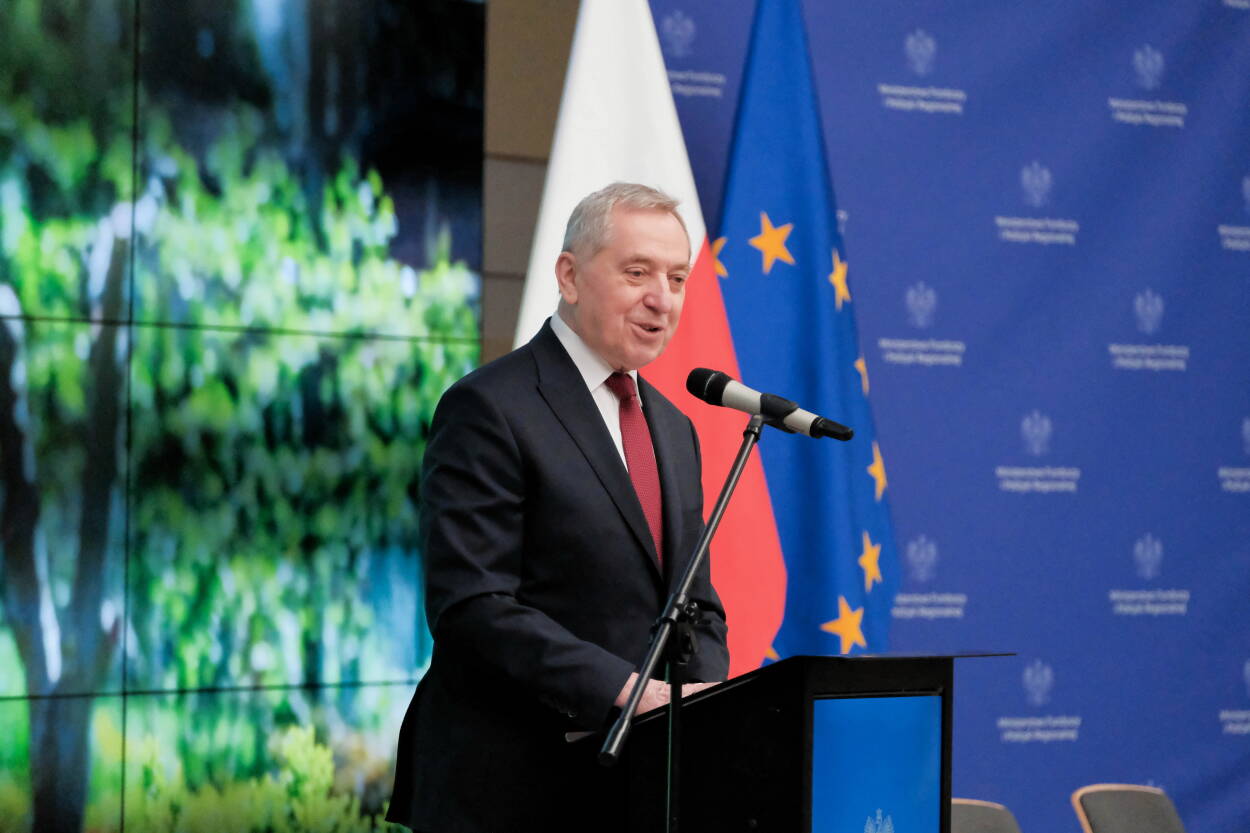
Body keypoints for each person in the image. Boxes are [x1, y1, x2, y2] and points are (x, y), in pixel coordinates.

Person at [386, 182, 730, 833]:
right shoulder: (489, 407)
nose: (662, 297)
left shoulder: (675, 427)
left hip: (638, 787)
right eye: (637, 272)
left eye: (677, 277)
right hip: (509, 789)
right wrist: (626, 691)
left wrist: (705, 701)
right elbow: (472, 605)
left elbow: (696, 602)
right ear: (569, 276)